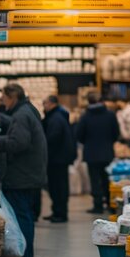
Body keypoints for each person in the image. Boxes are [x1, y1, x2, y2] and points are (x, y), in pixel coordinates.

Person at [0, 84, 47, 257]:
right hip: (29, 173)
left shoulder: (21, 115)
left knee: (21, 214)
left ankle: (21, 254)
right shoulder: (27, 111)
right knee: (26, 214)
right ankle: (25, 253)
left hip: (21, 175)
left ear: (12, 97)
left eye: (4, 97)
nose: (2, 101)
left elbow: (18, 143)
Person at [76, 92, 120, 214]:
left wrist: (89, 142)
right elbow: (116, 133)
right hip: (107, 153)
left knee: (95, 180)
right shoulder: (110, 115)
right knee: (107, 179)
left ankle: (98, 206)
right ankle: (111, 205)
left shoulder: (85, 117)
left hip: (91, 153)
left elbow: (79, 135)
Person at [41, 95, 76, 223]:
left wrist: (46, 150)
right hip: (60, 158)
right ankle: (57, 211)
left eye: (44, 103)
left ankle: (60, 213)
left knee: (58, 187)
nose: (43, 106)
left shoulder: (55, 118)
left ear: (51, 103)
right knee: (57, 186)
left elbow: (53, 138)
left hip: (57, 159)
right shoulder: (58, 116)